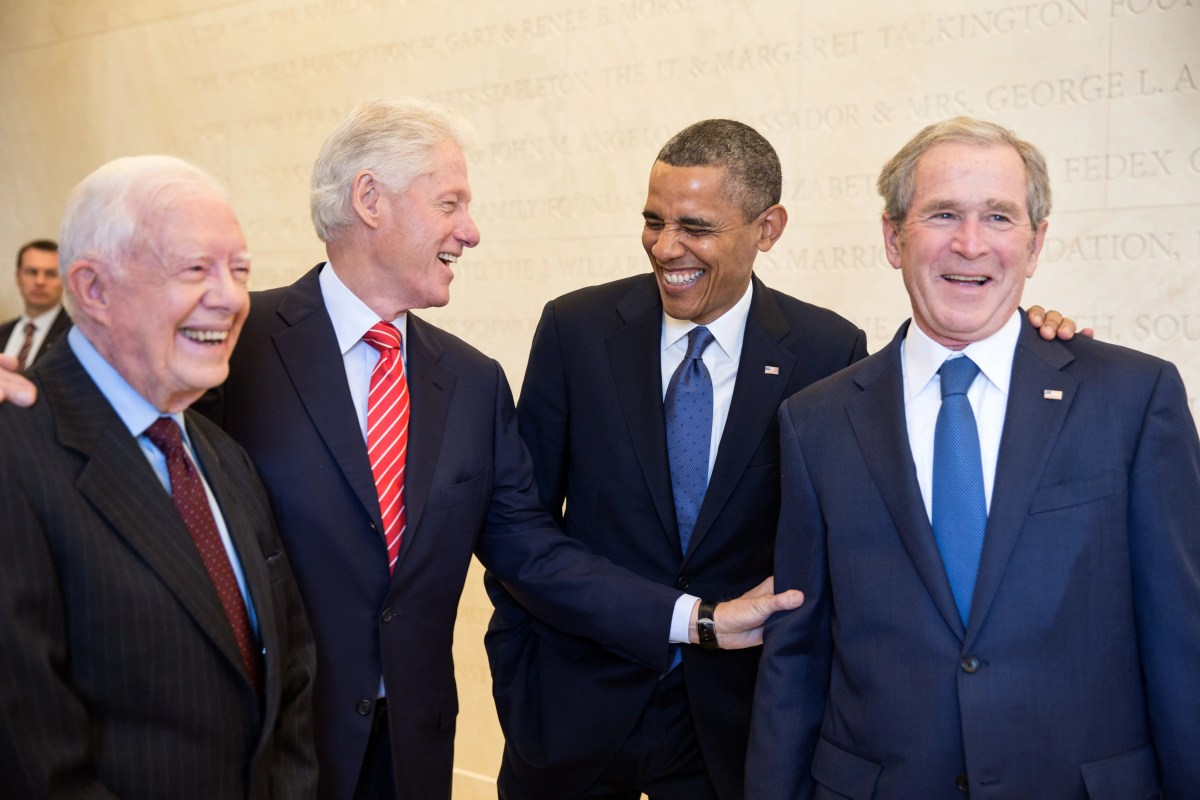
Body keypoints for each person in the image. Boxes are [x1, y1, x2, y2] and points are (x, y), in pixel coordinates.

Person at [193, 98, 794, 799]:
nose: (470, 233)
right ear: (369, 200)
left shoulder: (472, 383)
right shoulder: (238, 343)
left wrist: (700, 620)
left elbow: (532, 552)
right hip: (263, 744)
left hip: (409, 753)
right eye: (450, 204)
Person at [485, 119, 1082, 800]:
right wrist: (518, 673)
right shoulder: (575, 331)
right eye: (654, 221)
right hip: (569, 722)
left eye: (697, 227)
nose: (665, 246)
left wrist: (1028, 338)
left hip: (733, 738)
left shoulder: (829, 353)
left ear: (768, 228)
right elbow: (519, 530)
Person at [746, 117, 1200, 799]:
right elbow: (797, 656)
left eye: (998, 216)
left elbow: (1180, 642)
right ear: (894, 238)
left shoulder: (1134, 398)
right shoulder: (816, 421)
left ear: (1036, 242)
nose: (970, 243)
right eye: (942, 214)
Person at [0, 156, 318, 798]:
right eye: (195, 269)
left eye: (240, 270)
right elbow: (29, 752)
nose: (231, 298)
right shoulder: (13, 449)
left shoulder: (223, 456)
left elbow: (289, 682)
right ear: (93, 289)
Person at [1, 239, 70, 370]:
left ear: (64, 279)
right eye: (32, 272)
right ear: (18, 277)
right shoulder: (2, 332)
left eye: (50, 274)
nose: (40, 281)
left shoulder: (74, 336)